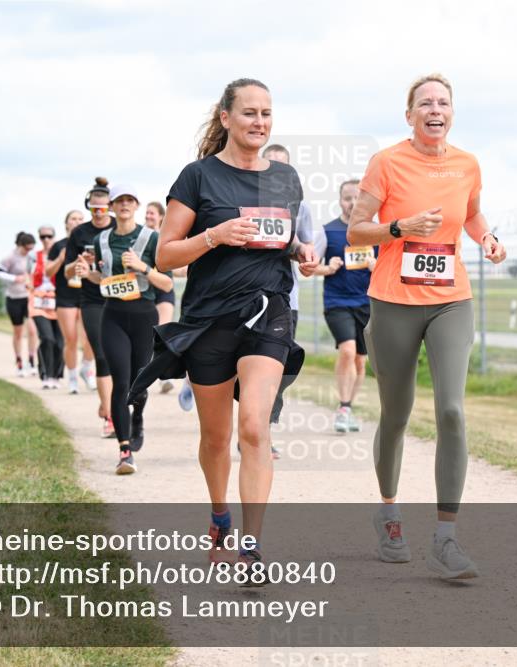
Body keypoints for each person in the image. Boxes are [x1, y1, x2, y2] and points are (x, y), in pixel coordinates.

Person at [147, 78, 317, 580]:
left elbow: (282, 239)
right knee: (217, 437)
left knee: (255, 428)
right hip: (210, 318)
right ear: (226, 118)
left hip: (269, 312)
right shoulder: (197, 177)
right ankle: (219, 514)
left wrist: (301, 252)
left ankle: (251, 547)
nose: (259, 122)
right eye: (249, 112)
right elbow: (165, 255)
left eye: (266, 113)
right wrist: (214, 235)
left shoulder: (285, 178)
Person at [346, 73, 507, 580]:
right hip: (393, 300)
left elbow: (473, 215)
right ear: (409, 114)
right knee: (396, 414)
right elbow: (356, 231)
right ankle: (389, 514)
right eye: (425, 103)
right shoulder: (387, 162)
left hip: (450, 300)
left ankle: (446, 537)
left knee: (452, 411)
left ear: (451, 113)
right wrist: (399, 228)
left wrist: (487, 238)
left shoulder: (467, 164)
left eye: (443, 103)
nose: (435, 109)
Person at [86, 185, 173, 473]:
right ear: (112, 207)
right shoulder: (101, 240)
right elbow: (104, 278)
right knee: (121, 383)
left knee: (139, 383)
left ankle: (138, 418)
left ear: (136, 206)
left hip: (144, 315)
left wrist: (143, 268)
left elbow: (167, 283)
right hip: (112, 316)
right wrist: (89, 274)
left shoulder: (151, 238)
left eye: (129, 201)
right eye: (119, 201)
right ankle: (125, 451)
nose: (124, 205)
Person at [260, 144, 327, 458]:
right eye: (270, 164)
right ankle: (249, 425)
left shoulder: (301, 207)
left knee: (277, 369)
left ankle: (262, 430)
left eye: (282, 165)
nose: (276, 170)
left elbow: (307, 248)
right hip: (248, 295)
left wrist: (307, 260)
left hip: (287, 298)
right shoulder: (247, 200)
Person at [313, 179, 375, 433]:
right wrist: (328, 268)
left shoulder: (375, 232)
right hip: (337, 301)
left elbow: (390, 269)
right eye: (348, 198)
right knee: (348, 351)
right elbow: (309, 266)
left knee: (360, 361)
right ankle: (343, 408)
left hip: (367, 304)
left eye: (358, 198)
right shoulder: (328, 231)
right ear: (340, 201)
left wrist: (376, 266)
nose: (353, 203)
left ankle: (348, 407)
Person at [66, 178, 118, 438]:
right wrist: (78, 265)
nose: (98, 214)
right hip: (92, 300)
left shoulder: (120, 228)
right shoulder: (79, 233)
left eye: (103, 209)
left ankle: (109, 402)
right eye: (94, 209)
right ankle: (110, 416)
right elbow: (66, 272)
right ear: (88, 207)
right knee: (102, 354)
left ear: (110, 207)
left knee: (124, 359)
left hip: (120, 297)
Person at [45, 210, 96, 394]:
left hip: (87, 295)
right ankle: (73, 377)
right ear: (66, 223)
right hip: (65, 297)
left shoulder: (90, 243)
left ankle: (86, 368)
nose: (77, 221)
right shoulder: (58, 246)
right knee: (71, 339)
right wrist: (61, 259)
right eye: (73, 219)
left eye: (81, 219)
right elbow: (48, 272)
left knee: (91, 338)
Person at [145, 201, 179, 395]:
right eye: (147, 213)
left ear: (161, 217)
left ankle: (165, 377)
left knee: (162, 333)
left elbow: (177, 267)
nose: (148, 216)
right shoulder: (140, 237)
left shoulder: (167, 237)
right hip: (146, 289)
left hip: (164, 289)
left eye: (152, 213)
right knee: (147, 335)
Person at [0, 232, 39, 377]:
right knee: (18, 332)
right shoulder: (10, 257)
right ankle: (19, 361)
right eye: (27, 248)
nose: (29, 251)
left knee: (33, 330)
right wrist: (15, 278)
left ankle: (31, 360)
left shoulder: (32, 257)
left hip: (29, 297)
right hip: (14, 298)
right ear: (20, 245)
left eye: (31, 248)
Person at [32, 225, 64, 389]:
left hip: (58, 300)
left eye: (49, 236)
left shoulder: (62, 254)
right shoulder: (34, 256)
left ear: (54, 237)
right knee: (47, 338)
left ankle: (56, 375)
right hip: (39, 302)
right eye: (42, 237)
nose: (46, 240)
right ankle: (46, 374)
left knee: (59, 342)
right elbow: (25, 273)